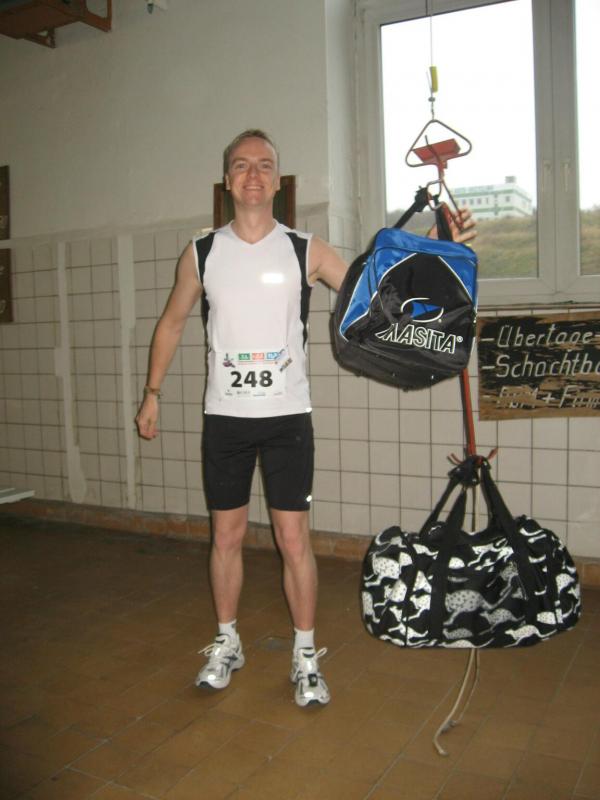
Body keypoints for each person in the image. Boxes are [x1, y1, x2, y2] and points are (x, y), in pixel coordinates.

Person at [135, 129, 476, 708]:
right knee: (226, 536)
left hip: (287, 417)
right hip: (225, 418)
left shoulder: (304, 249)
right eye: (241, 165)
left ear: (277, 180)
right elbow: (170, 323)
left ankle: (305, 653)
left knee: (293, 538)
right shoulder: (201, 252)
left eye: (264, 165)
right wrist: (152, 393)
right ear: (227, 180)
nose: (253, 175)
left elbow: (377, 291)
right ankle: (227, 642)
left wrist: (440, 244)